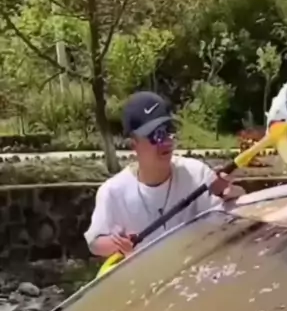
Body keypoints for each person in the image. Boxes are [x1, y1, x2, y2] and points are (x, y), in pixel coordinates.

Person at [84, 91, 245, 257]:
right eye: (156, 135)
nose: (166, 141)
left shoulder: (197, 174)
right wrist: (115, 243)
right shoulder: (113, 191)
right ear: (133, 144)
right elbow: (95, 242)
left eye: (169, 130)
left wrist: (229, 194)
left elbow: (232, 218)